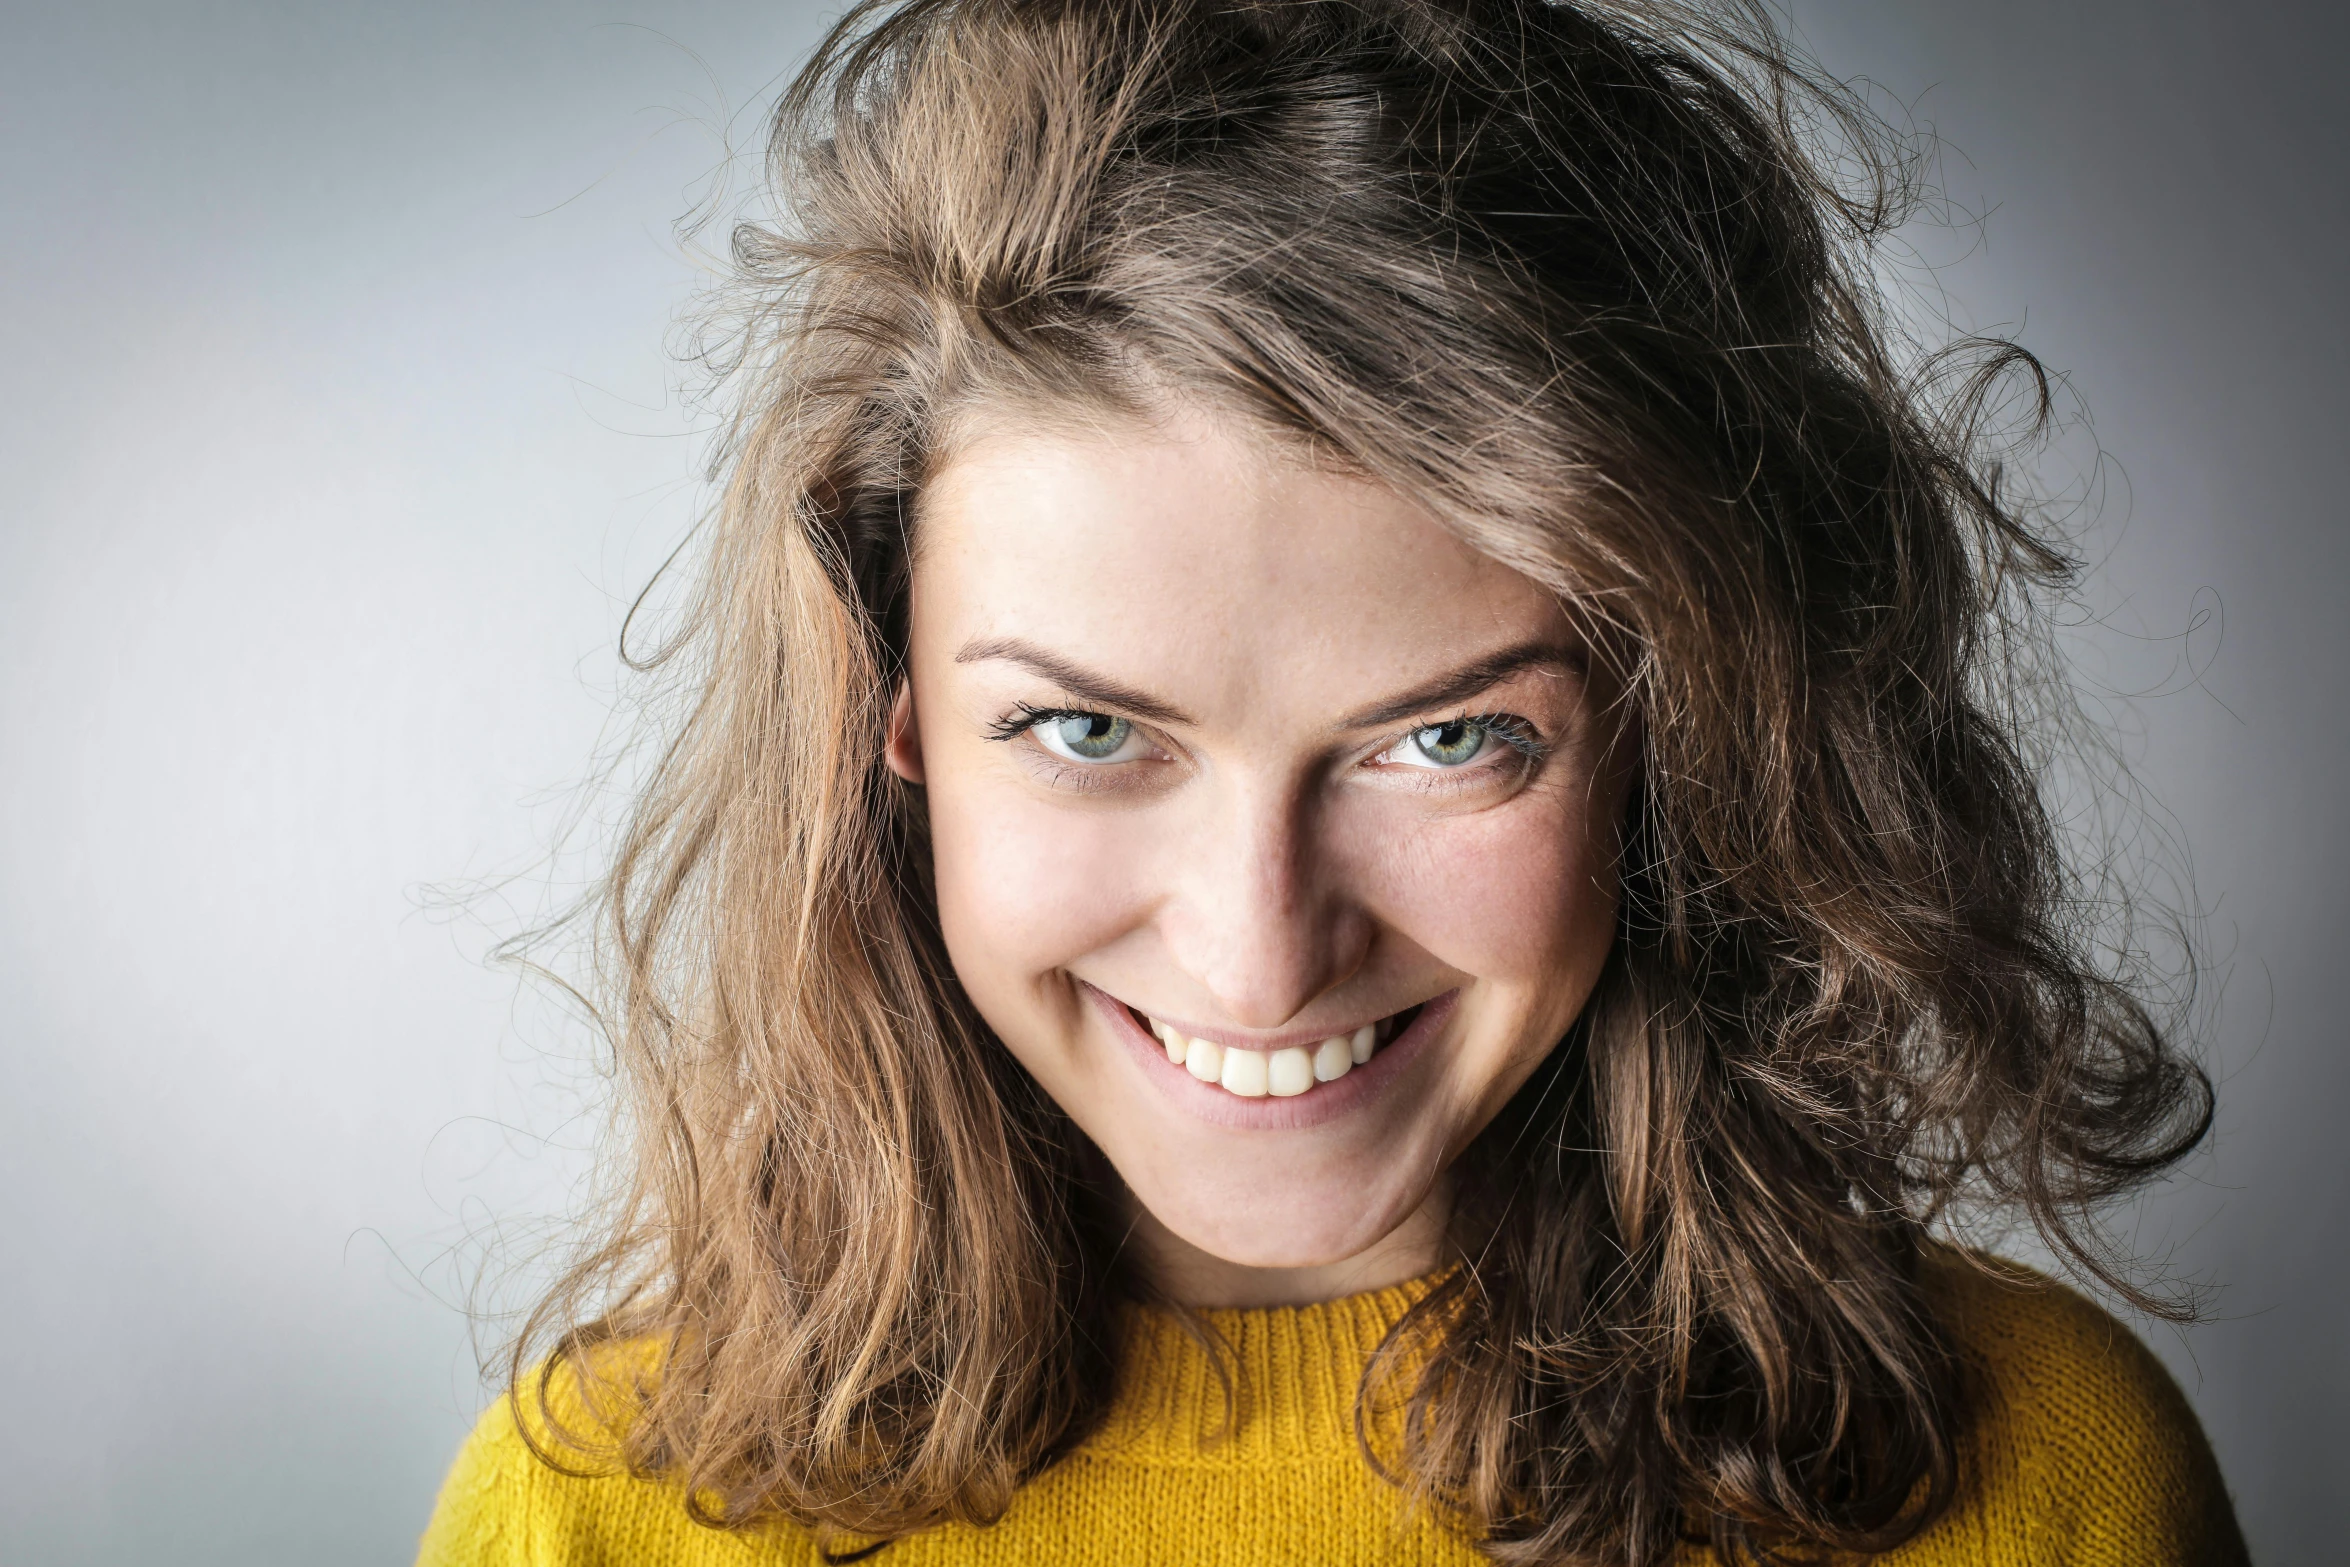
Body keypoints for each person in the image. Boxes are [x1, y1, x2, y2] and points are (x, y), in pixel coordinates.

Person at [417, 0, 2247, 1561]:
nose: (1260, 957)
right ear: (893, 737)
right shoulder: (593, 1515)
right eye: (1086, 729)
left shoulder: (2039, 1483)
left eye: (1449, 736)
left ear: (1668, 737)